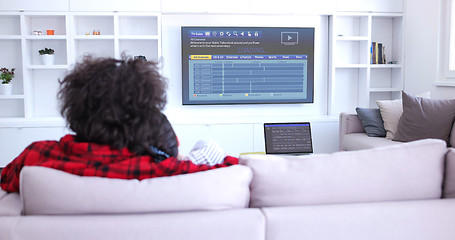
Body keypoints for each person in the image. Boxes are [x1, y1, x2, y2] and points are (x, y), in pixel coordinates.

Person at [0, 55, 238, 193]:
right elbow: (233, 165)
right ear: (147, 115)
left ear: (75, 108)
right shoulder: (171, 172)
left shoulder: (37, 156)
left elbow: (6, 179)